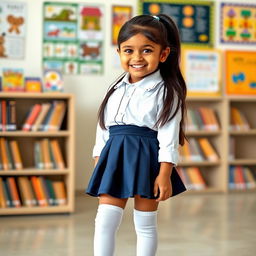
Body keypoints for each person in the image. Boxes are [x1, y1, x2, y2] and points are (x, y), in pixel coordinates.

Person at [86, 14, 187, 256]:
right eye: (128, 50)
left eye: (147, 50)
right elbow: (104, 128)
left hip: (148, 158)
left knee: (145, 224)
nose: (137, 58)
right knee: (104, 221)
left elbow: (168, 136)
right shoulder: (115, 88)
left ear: (163, 54)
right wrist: (100, 160)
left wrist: (164, 174)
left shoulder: (167, 92)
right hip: (114, 155)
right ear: (119, 52)